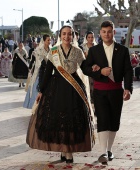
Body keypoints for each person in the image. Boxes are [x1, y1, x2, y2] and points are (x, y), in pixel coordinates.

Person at [26, 25, 95, 163]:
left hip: (73, 89)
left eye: (69, 34)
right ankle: (64, 149)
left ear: (73, 36)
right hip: (56, 89)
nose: (67, 37)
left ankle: (69, 151)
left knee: (72, 120)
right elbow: (47, 73)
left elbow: (85, 69)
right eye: (64, 34)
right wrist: (41, 91)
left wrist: (94, 68)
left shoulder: (78, 51)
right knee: (59, 120)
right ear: (60, 36)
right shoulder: (53, 52)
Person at [82, 20, 133, 164]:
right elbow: (85, 68)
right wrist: (99, 72)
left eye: (109, 31)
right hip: (100, 91)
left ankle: (109, 150)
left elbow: (128, 71)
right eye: (104, 32)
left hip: (117, 91)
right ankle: (103, 152)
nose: (106, 34)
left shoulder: (122, 50)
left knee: (114, 121)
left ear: (114, 32)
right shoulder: (94, 51)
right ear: (100, 33)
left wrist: (128, 88)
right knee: (103, 119)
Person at [23, 34, 51, 109]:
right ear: (44, 41)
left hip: (49, 72)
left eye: (50, 40)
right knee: (36, 88)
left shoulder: (51, 50)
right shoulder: (39, 50)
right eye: (48, 40)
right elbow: (36, 61)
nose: (49, 41)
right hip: (39, 72)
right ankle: (35, 107)